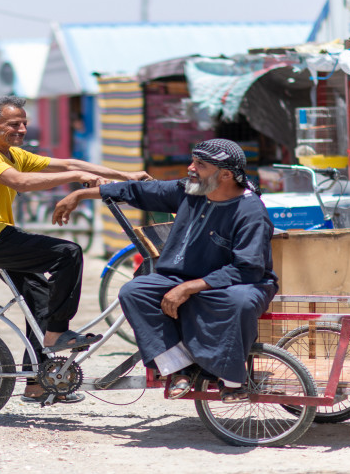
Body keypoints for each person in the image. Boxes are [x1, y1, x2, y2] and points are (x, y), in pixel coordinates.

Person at [0, 95, 151, 404]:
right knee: (67, 253)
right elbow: (21, 183)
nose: (22, 129)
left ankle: (37, 383)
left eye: (24, 123)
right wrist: (78, 179)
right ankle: (57, 334)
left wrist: (126, 175)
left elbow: (70, 162)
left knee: (41, 299)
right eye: (13, 124)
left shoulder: (11, 153)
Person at [53, 138, 278, 403]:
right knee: (134, 291)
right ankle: (179, 369)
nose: (190, 168)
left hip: (238, 282)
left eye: (200, 165)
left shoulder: (250, 211)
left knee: (237, 302)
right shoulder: (189, 191)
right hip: (180, 276)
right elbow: (137, 191)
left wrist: (188, 288)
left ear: (226, 174)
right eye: (193, 161)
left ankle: (232, 382)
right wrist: (78, 194)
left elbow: (248, 269)